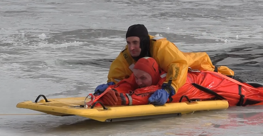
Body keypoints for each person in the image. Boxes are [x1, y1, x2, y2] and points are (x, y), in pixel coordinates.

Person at [94, 24, 235, 105]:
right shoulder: (127, 55)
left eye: (135, 42)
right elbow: (117, 76)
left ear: (143, 42)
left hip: (198, 69)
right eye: (129, 43)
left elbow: (178, 65)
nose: (131, 47)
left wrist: (168, 90)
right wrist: (110, 88)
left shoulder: (161, 47)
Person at [89, 57, 263, 107]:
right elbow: (133, 83)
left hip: (212, 84)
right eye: (136, 77)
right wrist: (113, 88)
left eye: (142, 77)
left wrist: (125, 100)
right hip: (209, 78)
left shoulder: (169, 83)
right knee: (252, 88)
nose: (138, 81)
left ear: (154, 75)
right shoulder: (149, 77)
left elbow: (149, 92)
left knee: (254, 95)